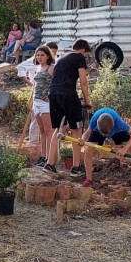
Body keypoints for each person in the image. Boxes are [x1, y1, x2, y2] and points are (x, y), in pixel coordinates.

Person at [48, 39, 92, 176]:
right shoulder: (79, 58)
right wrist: (87, 101)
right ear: (83, 50)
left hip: (53, 93)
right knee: (77, 129)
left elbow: (53, 73)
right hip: (67, 94)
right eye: (87, 55)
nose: (86, 57)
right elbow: (83, 81)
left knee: (59, 129)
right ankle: (76, 167)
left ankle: (49, 163)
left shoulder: (62, 58)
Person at [82, 107, 131, 191]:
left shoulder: (119, 123)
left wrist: (124, 149)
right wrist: (82, 140)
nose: (107, 137)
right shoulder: (95, 119)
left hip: (117, 132)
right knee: (88, 151)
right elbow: (86, 133)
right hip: (98, 131)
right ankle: (89, 180)